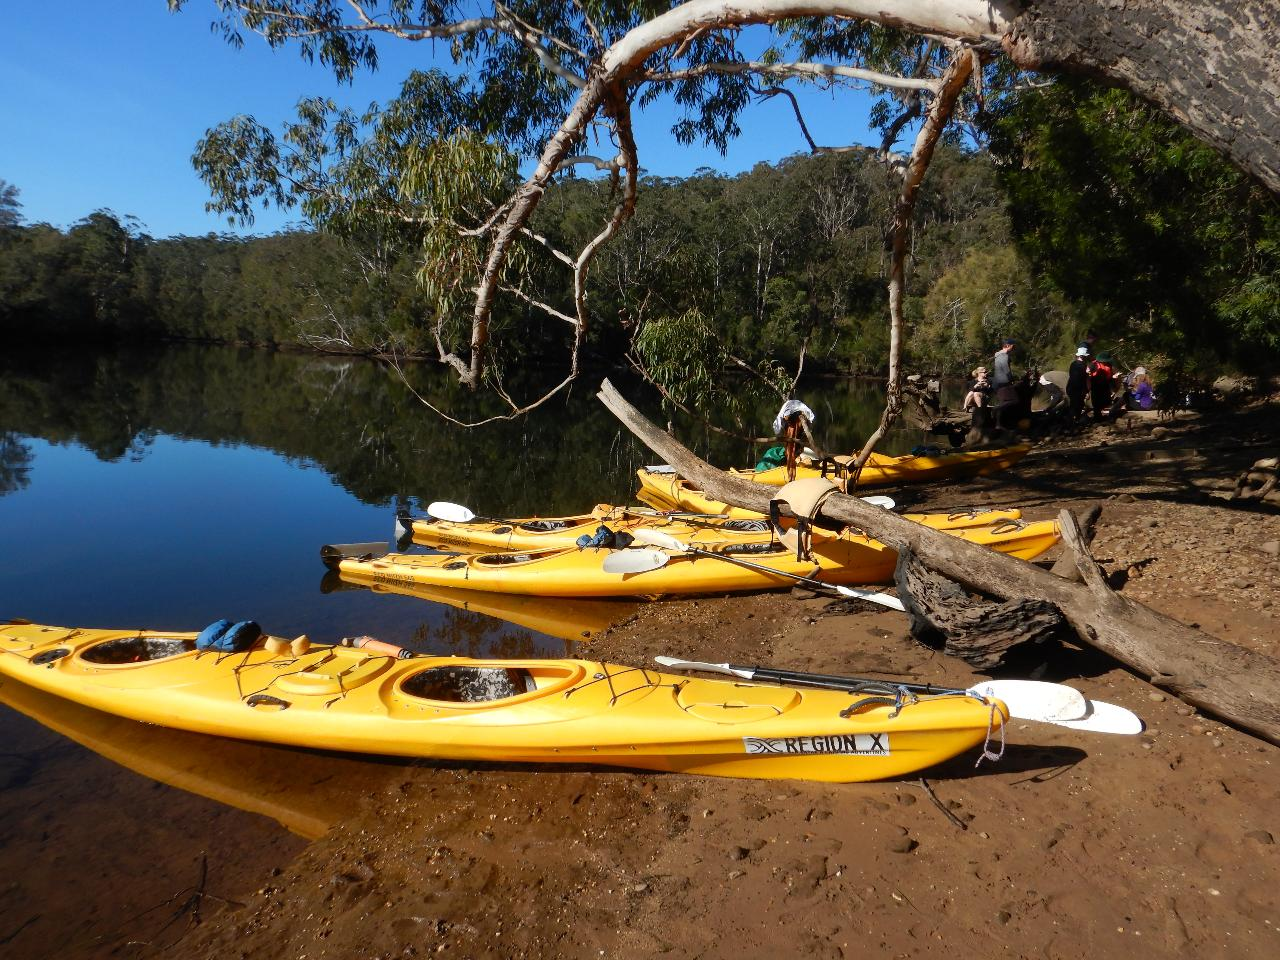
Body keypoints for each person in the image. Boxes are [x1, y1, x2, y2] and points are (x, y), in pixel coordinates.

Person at [991, 338, 1020, 430]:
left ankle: (999, 425)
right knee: (1015, 400)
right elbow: (1006, 370)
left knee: (1004, 402)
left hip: (998, 382)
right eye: (1012, 346)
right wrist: (1011, 379)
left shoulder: (998, 355)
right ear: (1007, 345)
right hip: (1003, 382)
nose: (1013, 348)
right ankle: (996, 409)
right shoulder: (1004, 356)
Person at [1089, 351, 1116, 420]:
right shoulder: (1093, 365)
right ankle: (1097, 418)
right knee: (1096, 404)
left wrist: (1112, 388)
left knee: (1106, 402)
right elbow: (1088, 376)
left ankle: (1103, 416)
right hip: (1095, 387)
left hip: (1105, 386)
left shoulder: (1109, 365)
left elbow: (1110, 378)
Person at [1067, 345, 1090, 421]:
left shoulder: (1073, 364)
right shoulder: (1083, 366)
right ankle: (1075, 420)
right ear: (1083, 356)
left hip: (1071, 388)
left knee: (1074, 405)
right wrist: (1086, 391)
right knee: (1078, 406)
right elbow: (1082, 380)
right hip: (1078, 389)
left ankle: (1072, 421)